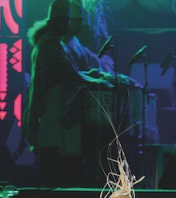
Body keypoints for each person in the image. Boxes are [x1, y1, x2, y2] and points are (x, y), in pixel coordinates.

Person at [21, 0, 110, 188]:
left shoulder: (53, 43)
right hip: (50, 116)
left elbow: (71, 73)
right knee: (53, 173)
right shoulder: (51, 46)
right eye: (65, 20)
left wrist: (91, 76)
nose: (68, 24)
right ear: (54, 22)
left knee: (55, 169)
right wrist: (100, 81)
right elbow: (71, 75)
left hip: (52, 116)